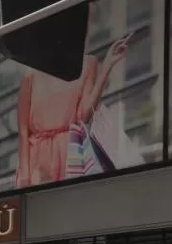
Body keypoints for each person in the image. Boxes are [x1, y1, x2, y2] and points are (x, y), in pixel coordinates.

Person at [15, 33, 130, 188]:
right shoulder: (30, 71)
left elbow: (84, 115)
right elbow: (23, 130)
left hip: (70, 154)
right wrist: (24, 177)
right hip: (37, 159)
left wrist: (107, 66)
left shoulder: (88, 63)